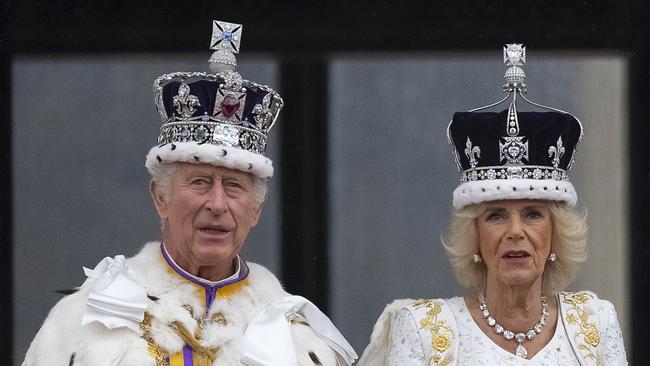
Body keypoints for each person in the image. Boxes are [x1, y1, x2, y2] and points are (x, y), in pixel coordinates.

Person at [22, 20, 357, 366]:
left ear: (256, 210)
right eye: (199, 182)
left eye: (234, 187)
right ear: (160, 197)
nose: (217, 204)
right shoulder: (82, 324)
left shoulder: (301, 342)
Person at [358, 44, 627, 365]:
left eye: (532, 214)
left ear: (556, 232)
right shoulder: (424, 331)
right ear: (474, 236)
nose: (515, 231)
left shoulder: (595, 323)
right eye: (496, 215)